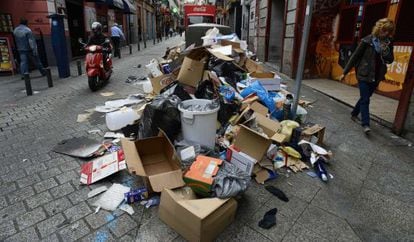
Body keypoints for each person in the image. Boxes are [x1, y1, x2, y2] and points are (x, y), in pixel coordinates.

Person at [339, 18, 394, 134]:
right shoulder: (367, 40)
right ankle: (366, 124)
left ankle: (354, 113)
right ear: (379, 29)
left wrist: (385, 51)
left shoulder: (389, 43)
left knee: (366, 97)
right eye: (385, 30)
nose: (387, 34)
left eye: (389, 32)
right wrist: (345, 72)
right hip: (364, 74)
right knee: (365, 99)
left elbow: (390, 60)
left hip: (377, 75)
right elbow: (355, 57)